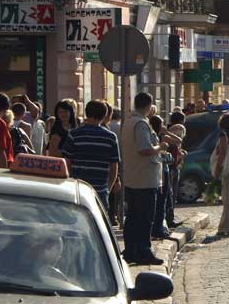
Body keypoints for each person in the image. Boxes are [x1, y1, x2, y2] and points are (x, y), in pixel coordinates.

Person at [120, 92, 167, 266]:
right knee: (145, 217)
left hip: (133, 176)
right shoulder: (140, 123)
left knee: (132, 217)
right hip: (144, 178)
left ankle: (131, 249)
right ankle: (143, 251)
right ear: (148, 105)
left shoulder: (128, 122)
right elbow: (144, 149)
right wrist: (160, 147)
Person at [60, 100, 120, 211]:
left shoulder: (74, 134)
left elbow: (67, 163)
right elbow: (114, 167)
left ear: (87, 113)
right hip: (100, 191)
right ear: (104, 115)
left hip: (78, 189)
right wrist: (107, 189)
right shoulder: (111, 137)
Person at [148, 115, 177, 239]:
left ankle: (159, 226)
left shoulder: (153, 136)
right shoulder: (157, 138)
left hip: (158, 171)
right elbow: (161, 154)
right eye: (162, 124)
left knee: (161, 201)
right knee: (161, 201)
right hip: (160, 171)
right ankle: (158, 228)